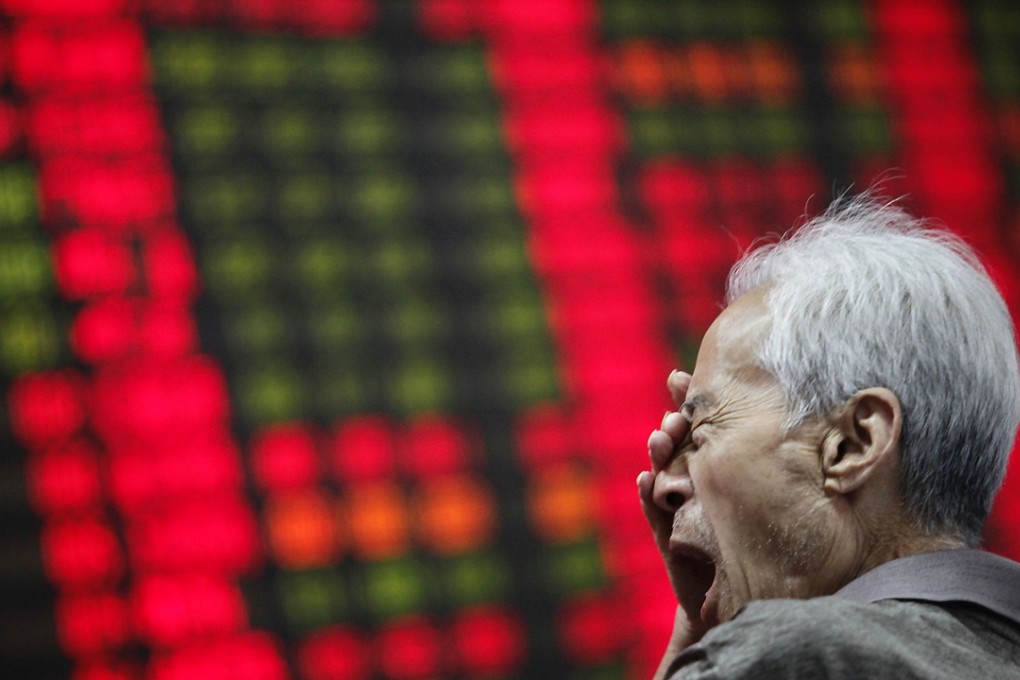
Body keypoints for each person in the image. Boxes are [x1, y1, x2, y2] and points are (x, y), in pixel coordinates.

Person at [637, 194, 1020, 678]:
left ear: (853, 444)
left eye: (703, 428)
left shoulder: (789, 657)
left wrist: (711, 658)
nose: (665, 484)